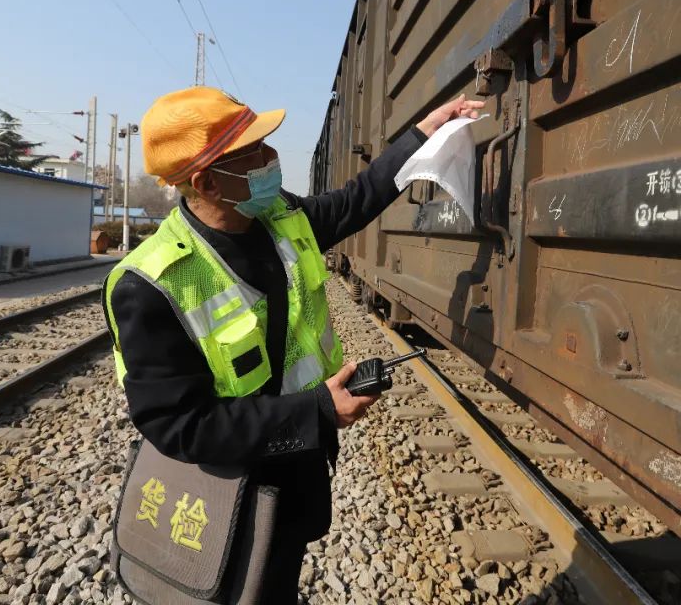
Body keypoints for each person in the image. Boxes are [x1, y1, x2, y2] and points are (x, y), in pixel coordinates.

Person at [102, 86, 484, 602]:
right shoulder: (150, 284)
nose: (271, 159)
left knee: (279, 578)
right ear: (207, 182)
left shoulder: (279, 216)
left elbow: (356, 200)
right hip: (228, 490)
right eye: (252, 153)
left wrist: (422, 133)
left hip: (296, 468)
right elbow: (179, 425)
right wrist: (319, 410)